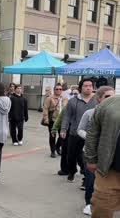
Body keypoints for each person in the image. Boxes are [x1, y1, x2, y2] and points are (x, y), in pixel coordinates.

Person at [76, 86, 115, 216]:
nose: (112, 100)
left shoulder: (116, 114)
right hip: (91, 153)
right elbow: (80, 130)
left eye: (114, 96)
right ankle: (88, 203)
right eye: (108, 97)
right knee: (91, 179)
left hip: (108, 156)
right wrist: (92, 137)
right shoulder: (90, 113)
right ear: (99, 99)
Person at [85, 95, 120, 218]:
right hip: (110, 171)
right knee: (101, 208)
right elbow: (93, 132)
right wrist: (91, 158)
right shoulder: (109, 104)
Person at [61, 78, 97, 182]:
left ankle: (86, 178)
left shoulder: (96, 100)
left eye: (90, 86)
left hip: (89, 135)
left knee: (86, 157)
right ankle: (72, 171)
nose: (88, 88)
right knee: (71, 155)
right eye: (86, 86)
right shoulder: (73, 100)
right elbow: (67, 116)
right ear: (81, 87)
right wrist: (64, 129)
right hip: (74, 133)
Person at [43, 83, 68, 158]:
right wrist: (46, 118)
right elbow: (45, 108)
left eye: (60, 89)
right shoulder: (49, 98)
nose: (59, 90)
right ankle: (53, 151)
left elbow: (67, 109)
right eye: (57, 89)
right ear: (54, 90)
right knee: (52, 136)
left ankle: (57, 146)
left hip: (62, 120)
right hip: (53, 120)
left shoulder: (65, 98)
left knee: (62, 136)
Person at [52, 106, 69, 175]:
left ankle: (84, 171)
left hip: (83, 133)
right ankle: (65, 169)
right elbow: (60, 117)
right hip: (68, 131)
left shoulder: (93, 103)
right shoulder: (71, 103)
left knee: (80, 154)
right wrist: (54, 129)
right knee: (65, 150)